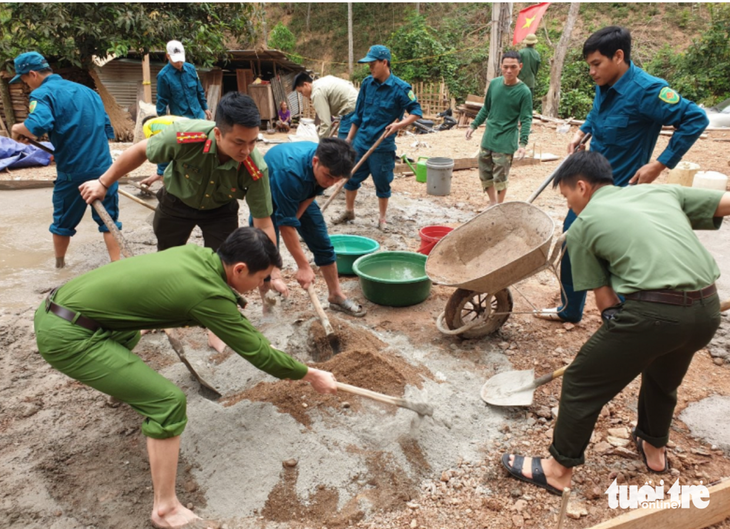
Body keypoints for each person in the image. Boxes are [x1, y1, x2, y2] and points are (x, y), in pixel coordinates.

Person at [34, 226, 338, 529]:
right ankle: (165, 509)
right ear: (240, 269)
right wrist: (310, 375)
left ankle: (123, 387)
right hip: (67, 336)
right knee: (168, 403)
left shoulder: (197, 256)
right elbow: (257, 353)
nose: (264, 283)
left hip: (61, 306)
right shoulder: (207, 294)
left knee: (128, 332)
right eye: (263, 278)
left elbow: (239, 328)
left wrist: (255, 340)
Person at [502, 150, 728, 496]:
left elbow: (605, 300)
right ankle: (654, 450)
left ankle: (557, 469)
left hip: (654, 315)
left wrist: (619, 332)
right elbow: (724, 202)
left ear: (582, 187)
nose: (569, 205)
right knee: (663, 377)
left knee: (580, 381)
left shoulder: (583, 227)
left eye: (566, 197)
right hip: (707, 310)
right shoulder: (659, 191)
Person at [79, 91, 282, 353]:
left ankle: (217, 326)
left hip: (220, 211)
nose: (246, 150)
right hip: (176, 203)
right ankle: (155, 312)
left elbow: (264, 224)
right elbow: (140, 150)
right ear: (218, 134)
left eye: (253, 142)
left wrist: (272, 270)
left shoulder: (255, 168)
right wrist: (103, 182)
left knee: (224, 267)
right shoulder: (185, 136)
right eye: (239, 142)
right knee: (165, 259)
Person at [536, 26, 709, 323]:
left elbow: (695, 119)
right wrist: (584, 131)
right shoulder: (604, 83)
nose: (591, 72)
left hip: (620, 192)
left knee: (618, 258)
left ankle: (631, 321)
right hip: (589, 186)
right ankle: (570, 309)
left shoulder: (649, 91)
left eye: (596, 64)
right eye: (589, 65)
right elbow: (597, 112)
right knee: (571, 241)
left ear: (618, 56)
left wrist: (660, 164)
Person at [9, 51, 120, 269]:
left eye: (24, 80)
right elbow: (108, 130)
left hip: (72, 174)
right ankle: (118, 266)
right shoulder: (89, 92)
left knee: (62, 225)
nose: (27, 86)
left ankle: (59, 267)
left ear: (32, 74)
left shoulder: (42, 94)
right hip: (106, 170)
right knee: (110, 222)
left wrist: (16, 129)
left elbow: (36, 126)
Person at [261, 138, 366, 316]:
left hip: (300, 190)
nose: (331, 182)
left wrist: (294, 218)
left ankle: (335, 295)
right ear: (315, 162)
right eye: (329, 177)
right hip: (267, 191)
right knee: (264, 248)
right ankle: (267, 300)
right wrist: (303, 266)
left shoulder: (328, 166)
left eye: (337, 179)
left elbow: (312, 193)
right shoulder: (290, 173)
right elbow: (286, 226)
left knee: (321, 240)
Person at [335, 45, 423, 231]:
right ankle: (349, 211)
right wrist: (349, 141)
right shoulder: (367, 83)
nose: (370, 68)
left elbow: (416, 112)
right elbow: (357, 115)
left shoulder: (401, 88)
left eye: (373, 64)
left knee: (382, 182)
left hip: (382, 145)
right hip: (362, 141)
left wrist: (398, 125)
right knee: (350, 178)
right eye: (369, 64)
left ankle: (382, 219)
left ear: (385, 62)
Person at [465, 51, 532, 207]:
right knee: (485, 173)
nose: (509, 71)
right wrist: (473, 125)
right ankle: (492, 202)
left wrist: (523, 144)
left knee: (500, 177)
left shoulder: (524, 92)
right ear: (501, 66)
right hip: (489, 137)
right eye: (506, 67)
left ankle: (499, 206)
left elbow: (526, 119)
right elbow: (486, 108)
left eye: (513, 67)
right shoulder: (494, 84)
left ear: (520, 67)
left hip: (506, 141)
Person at [153, 40, 213, 182]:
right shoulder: (164, 76)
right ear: (168, 56)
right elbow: (162, 100)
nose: (179, 64)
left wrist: (205, 107)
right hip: (181, 119)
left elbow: (198, 90)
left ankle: (205, 175)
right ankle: (181, 178)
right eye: (176, 61)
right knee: (184, 150)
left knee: (205, 145)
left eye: (181, 60)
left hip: (198, 116)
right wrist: (160, 121)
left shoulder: (191, 69)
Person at [293, 73, 359, 138]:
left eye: (301, 92)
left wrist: (321, 144)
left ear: (306, 84)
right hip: (357, 103)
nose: (303, 95)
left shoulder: (317, 93)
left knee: (343, 143)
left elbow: (326, 123)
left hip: (350, 108)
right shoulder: (322, 81)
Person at [518, 33, 541, 98]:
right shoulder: (536, 54)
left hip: (520, 81)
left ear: (526, 42)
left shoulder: (521, 52)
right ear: (534, 43)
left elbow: (516, 66)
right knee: (528, 101)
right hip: (530, 82)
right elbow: (536, 68)